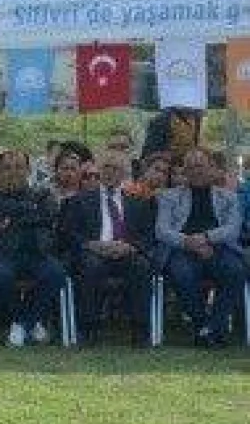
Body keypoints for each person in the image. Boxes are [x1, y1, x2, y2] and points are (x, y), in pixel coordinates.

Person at [153, 147, 246, 347]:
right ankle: (204, 325)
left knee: (236, 270)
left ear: (211, 168)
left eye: (201, 166)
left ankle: (214, 328)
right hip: (182, 249)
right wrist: (188, 242)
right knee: (181, 273)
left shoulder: (228, 197)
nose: (196, 171)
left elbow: (233, 229)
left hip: (218, 248)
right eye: (191, 167)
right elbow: (161, 230)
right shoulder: (169, 197)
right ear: (184, 171)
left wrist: (206, 238)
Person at [58, 149, 153, 345]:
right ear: (100, 171)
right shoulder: (81, 200)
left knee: (141, 266)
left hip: (125, 252)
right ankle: (88, 327)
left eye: (116, 169)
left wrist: (130, 247)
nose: (110, 173)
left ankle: (140, 329)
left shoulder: (138, 203)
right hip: (94, 252)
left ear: (124, 174)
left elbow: (148, 235)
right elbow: (68, 233)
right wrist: (91, 244)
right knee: (91, 266)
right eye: (106, 168)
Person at [0, 148, 67, 347]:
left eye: (19, 167)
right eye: (7, 168)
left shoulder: (42, 194)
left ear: (29, 171)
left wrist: (12, 218)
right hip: (4, 254)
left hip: (38, 253)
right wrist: (29, 211)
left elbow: (47, 216)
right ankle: (27, 321)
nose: (14, 172)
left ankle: (22, 323)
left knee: (56, 273)